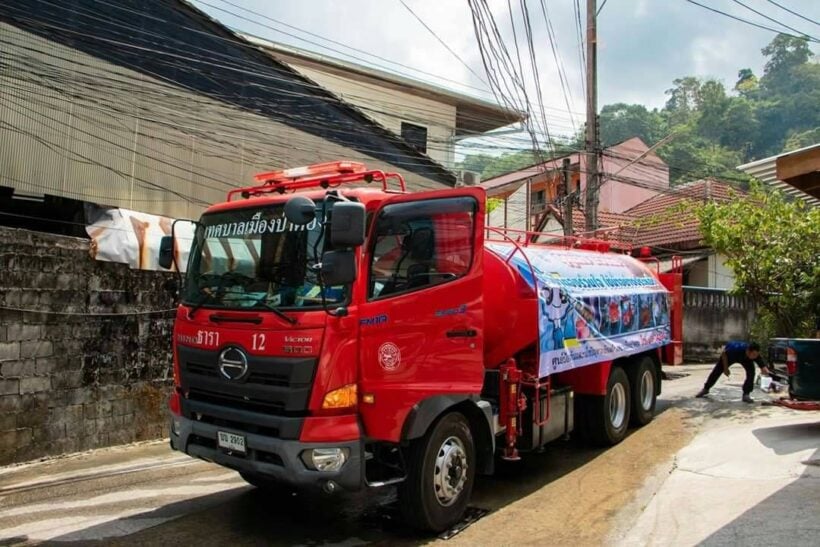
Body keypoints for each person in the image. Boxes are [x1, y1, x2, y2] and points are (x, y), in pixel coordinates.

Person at [695, 341, 770, 403]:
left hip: (746, 359)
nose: (755, 357)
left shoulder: (754, 354)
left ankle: (746, 394)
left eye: (756, 355)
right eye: (754, 354)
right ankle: (706, 389)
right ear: (748, 351)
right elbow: (724, 355)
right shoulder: (735, 349)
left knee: (751, 373)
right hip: (729, 357)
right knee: (717, 371)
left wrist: (764, 368)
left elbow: (760, 362)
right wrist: (725, 368)